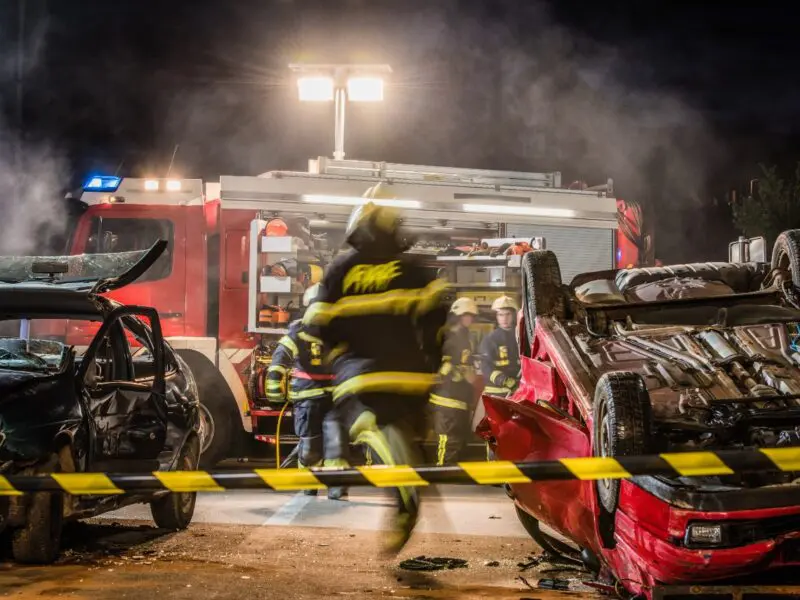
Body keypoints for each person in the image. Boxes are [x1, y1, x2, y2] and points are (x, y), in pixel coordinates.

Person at [303, 200, 448, 554]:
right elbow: (437, 324)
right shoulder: (415, 270)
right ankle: (411, 464)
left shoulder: (340, 271)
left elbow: (316, 324)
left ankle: (402, 484)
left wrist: (337, 357)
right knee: (411, 432)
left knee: (352, 420)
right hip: (414, 378)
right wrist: (431, 367)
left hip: (362, 378)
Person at [265, 283, 349, 500]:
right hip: (317, 397)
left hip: (325, 397)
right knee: (323, 443)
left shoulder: (326, 330)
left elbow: (279, 359)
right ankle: (318, 486)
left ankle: (331, 487)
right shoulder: (310, 330)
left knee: (332, 443)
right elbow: (280, 358)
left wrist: (274, 393)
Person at [429, 297, 478, 465]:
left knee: (457, 440)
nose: (468, 319)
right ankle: (443, 471)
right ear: (457, 315)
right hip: (447, 399)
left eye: (471, 315)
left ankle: (452, 473)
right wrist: (460, 373)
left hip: (459, 399)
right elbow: (444, 367)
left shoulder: (466, 338)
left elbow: (466, 364)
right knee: (447, 439)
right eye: (465, 315)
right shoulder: (450, 336)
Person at [479, 296, 521, 398]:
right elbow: (485, 366)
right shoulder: (490, 339)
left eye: (508, 314)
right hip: (496, 393)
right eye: (501, 315)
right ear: (497, 317)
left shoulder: (519, 336)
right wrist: (503, 380)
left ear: (514, 315)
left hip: (517, 391)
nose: (504, 318)